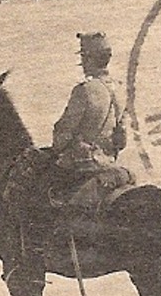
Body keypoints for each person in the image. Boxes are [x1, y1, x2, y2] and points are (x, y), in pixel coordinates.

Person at [51, 32, 132, 201]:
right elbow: (121, 140)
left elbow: (63, 133)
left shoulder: (84, 90)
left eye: (83, 56)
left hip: (84, 166)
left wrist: (58, 147)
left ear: (88, 59)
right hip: (110, 163)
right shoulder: (120, 89)